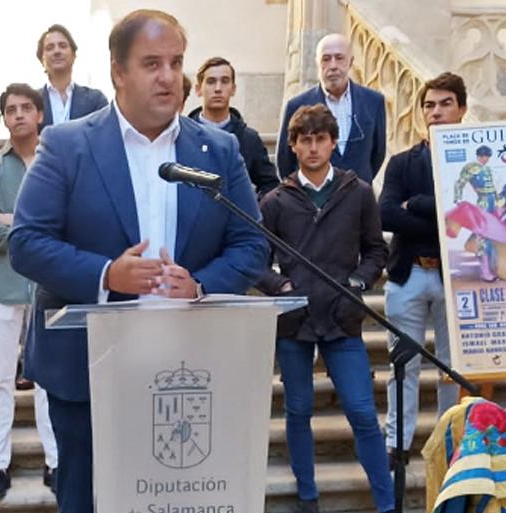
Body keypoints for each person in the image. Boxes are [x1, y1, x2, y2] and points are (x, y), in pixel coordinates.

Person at [7, 10, 269, 513]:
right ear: (118, 72)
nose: (169, 77)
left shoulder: (217, 150)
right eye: (152, 64)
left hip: (192, 368)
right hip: (87, 367)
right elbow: (26, 243)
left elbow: (253, 243)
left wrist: (199, 285)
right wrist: (107, 275)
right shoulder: (67, 144)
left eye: (176, 63)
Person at [257, 104, 422, 513]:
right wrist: (279, 284)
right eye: (304, 140)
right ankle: (307, 498)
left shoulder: (358, 192)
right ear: (292, 147)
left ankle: (389, 511)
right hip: (294, 321)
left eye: (320, 139)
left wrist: (360, 279)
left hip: (342, 319)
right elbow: (255, 261)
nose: (312, 147)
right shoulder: (275, 201)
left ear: (333, 143)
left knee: (363, 414)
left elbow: (375, 250)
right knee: (298, 409)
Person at [0, 84, 58, 500]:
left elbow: (62, 225)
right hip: (4, 287)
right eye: (11, 109)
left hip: (47, 288)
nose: (19, 114)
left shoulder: (56, 164)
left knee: (47, 379)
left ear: (40, 114)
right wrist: (29, 229)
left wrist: (14, 222)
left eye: (27, 108)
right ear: (4, 118)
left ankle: (55, 462)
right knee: (1, 378)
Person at [379, 72, 467, 470]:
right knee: (403, 363)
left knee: (452, 366)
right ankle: (398, 443)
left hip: (458, 277)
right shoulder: (401, 163)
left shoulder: (473, 162)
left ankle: (451, 444)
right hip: (408, 273)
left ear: (462, 109)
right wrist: (443, 215)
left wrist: (419, 204)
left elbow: (475, 219)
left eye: (445, 103)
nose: (436, 112)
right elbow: (386, 215)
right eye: (429, 105)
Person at [277, 33, 386, 184]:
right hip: (313, 201)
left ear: (351, 62)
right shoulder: (297, 106)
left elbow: (378, 154)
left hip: (358, 200)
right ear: (318, 63)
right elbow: (285, 161)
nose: (333, 66)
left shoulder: (373, 102)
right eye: (326, 59)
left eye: (339, 58)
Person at [187, 56, 280, 197]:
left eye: (224, 81)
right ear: (199, 89)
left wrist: (250, 211)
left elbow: (271, 186)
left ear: (233, 89)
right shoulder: (183, 136)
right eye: (211, 82)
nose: (218, 89)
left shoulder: (249, 139)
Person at [36, 24, 108, 132]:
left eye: (63, 46)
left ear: (74, 55)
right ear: (42, 59)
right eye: (50, 48)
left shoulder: (95, 100)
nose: (57, 51)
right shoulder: (31, 102)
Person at [453, 145, 498, 281]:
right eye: (484, 156)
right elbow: (459, 183)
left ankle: (491, 267)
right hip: (483, 203)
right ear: (479, 156)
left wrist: (498, 199)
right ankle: (484, 271)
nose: (486, 159)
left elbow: (492, 187)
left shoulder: (488, 168)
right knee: (483, 236)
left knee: (492, 236)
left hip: (492, 203)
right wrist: (458, 199)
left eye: (488, 157)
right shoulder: (472, 167)